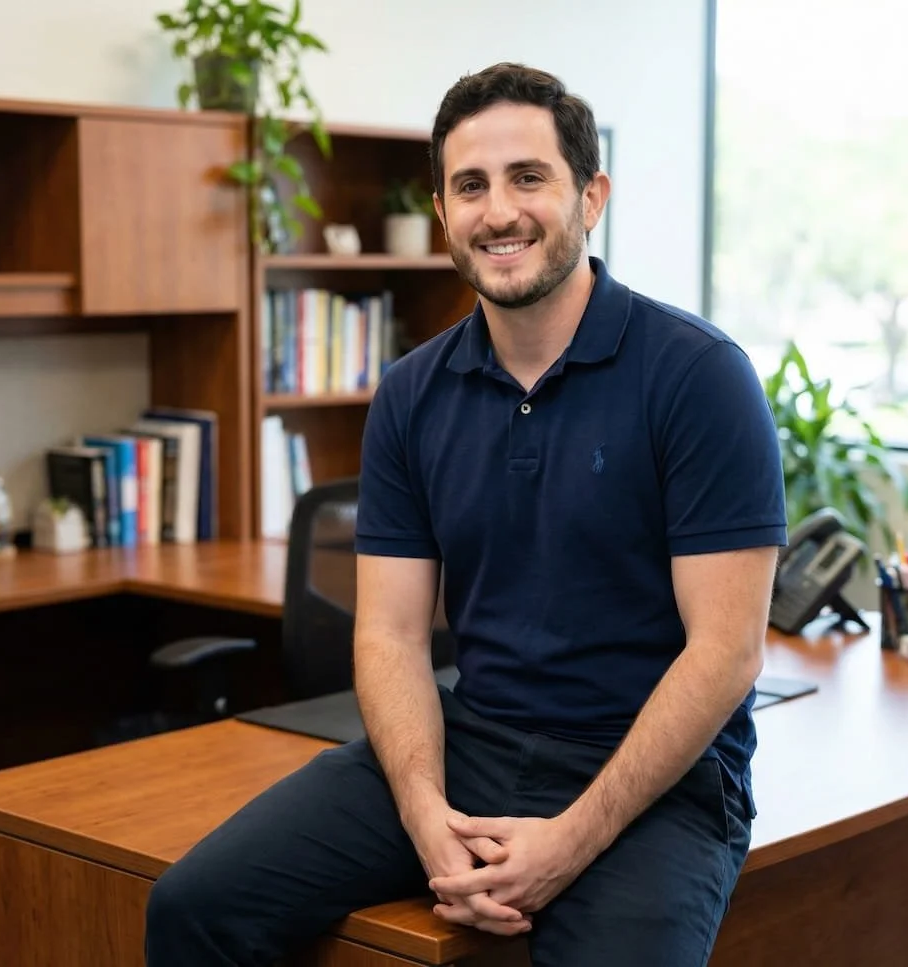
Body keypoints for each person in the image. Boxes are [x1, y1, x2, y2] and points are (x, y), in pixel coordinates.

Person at [144, 61, 786, 967]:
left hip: (658, 775)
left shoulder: (697, 376)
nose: (499, 211)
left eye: (530, 178)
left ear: (591, 196)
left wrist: (570, 838)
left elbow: (726, 652)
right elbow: (392, 637)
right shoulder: (410, 394)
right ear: (443, 212)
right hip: (475, 737)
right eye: (471, 186)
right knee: (195, 907)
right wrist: (423, 813)